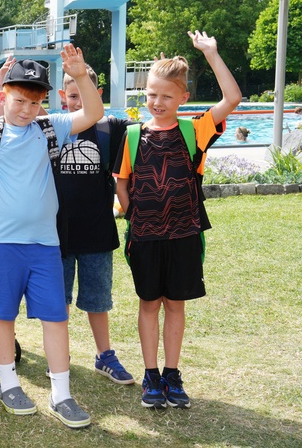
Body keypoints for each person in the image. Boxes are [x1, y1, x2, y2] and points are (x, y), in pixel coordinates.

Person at [0, 41, 103, 429]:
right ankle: (8, 382)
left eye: (34, 103)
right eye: (19, 100)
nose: (26, 109)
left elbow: (94, 113)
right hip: (1, 245)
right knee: (2, 316)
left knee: (56, 318)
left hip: (45, 246)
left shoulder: (52, 128)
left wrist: (81, 76)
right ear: (4, 97)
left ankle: (61, 393)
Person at [115, 31, 241, 410]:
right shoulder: (133, 135)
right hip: (146, 238)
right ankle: (151, 375)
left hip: (184, 234)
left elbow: (232, 98)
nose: (158, 102)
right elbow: (122, 181)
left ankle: (172, 372)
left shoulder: (195, 129)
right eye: (152, 95)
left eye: (167, 96)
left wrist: (212, 53)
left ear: (183, 98)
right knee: (148, 303)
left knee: (175, 304)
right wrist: (132, 214)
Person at [55, 65, 135, 385]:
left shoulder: (110, 129)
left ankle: (104, 354)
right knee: (57, 301)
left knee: (98, 300)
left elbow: (151, 136)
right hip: (57, 233)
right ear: (62, 96)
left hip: (98, 231)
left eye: (84, 93)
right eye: (72, 95)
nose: (78, 101)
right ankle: (59, 354)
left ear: (98, 95)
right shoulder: (52, 128)